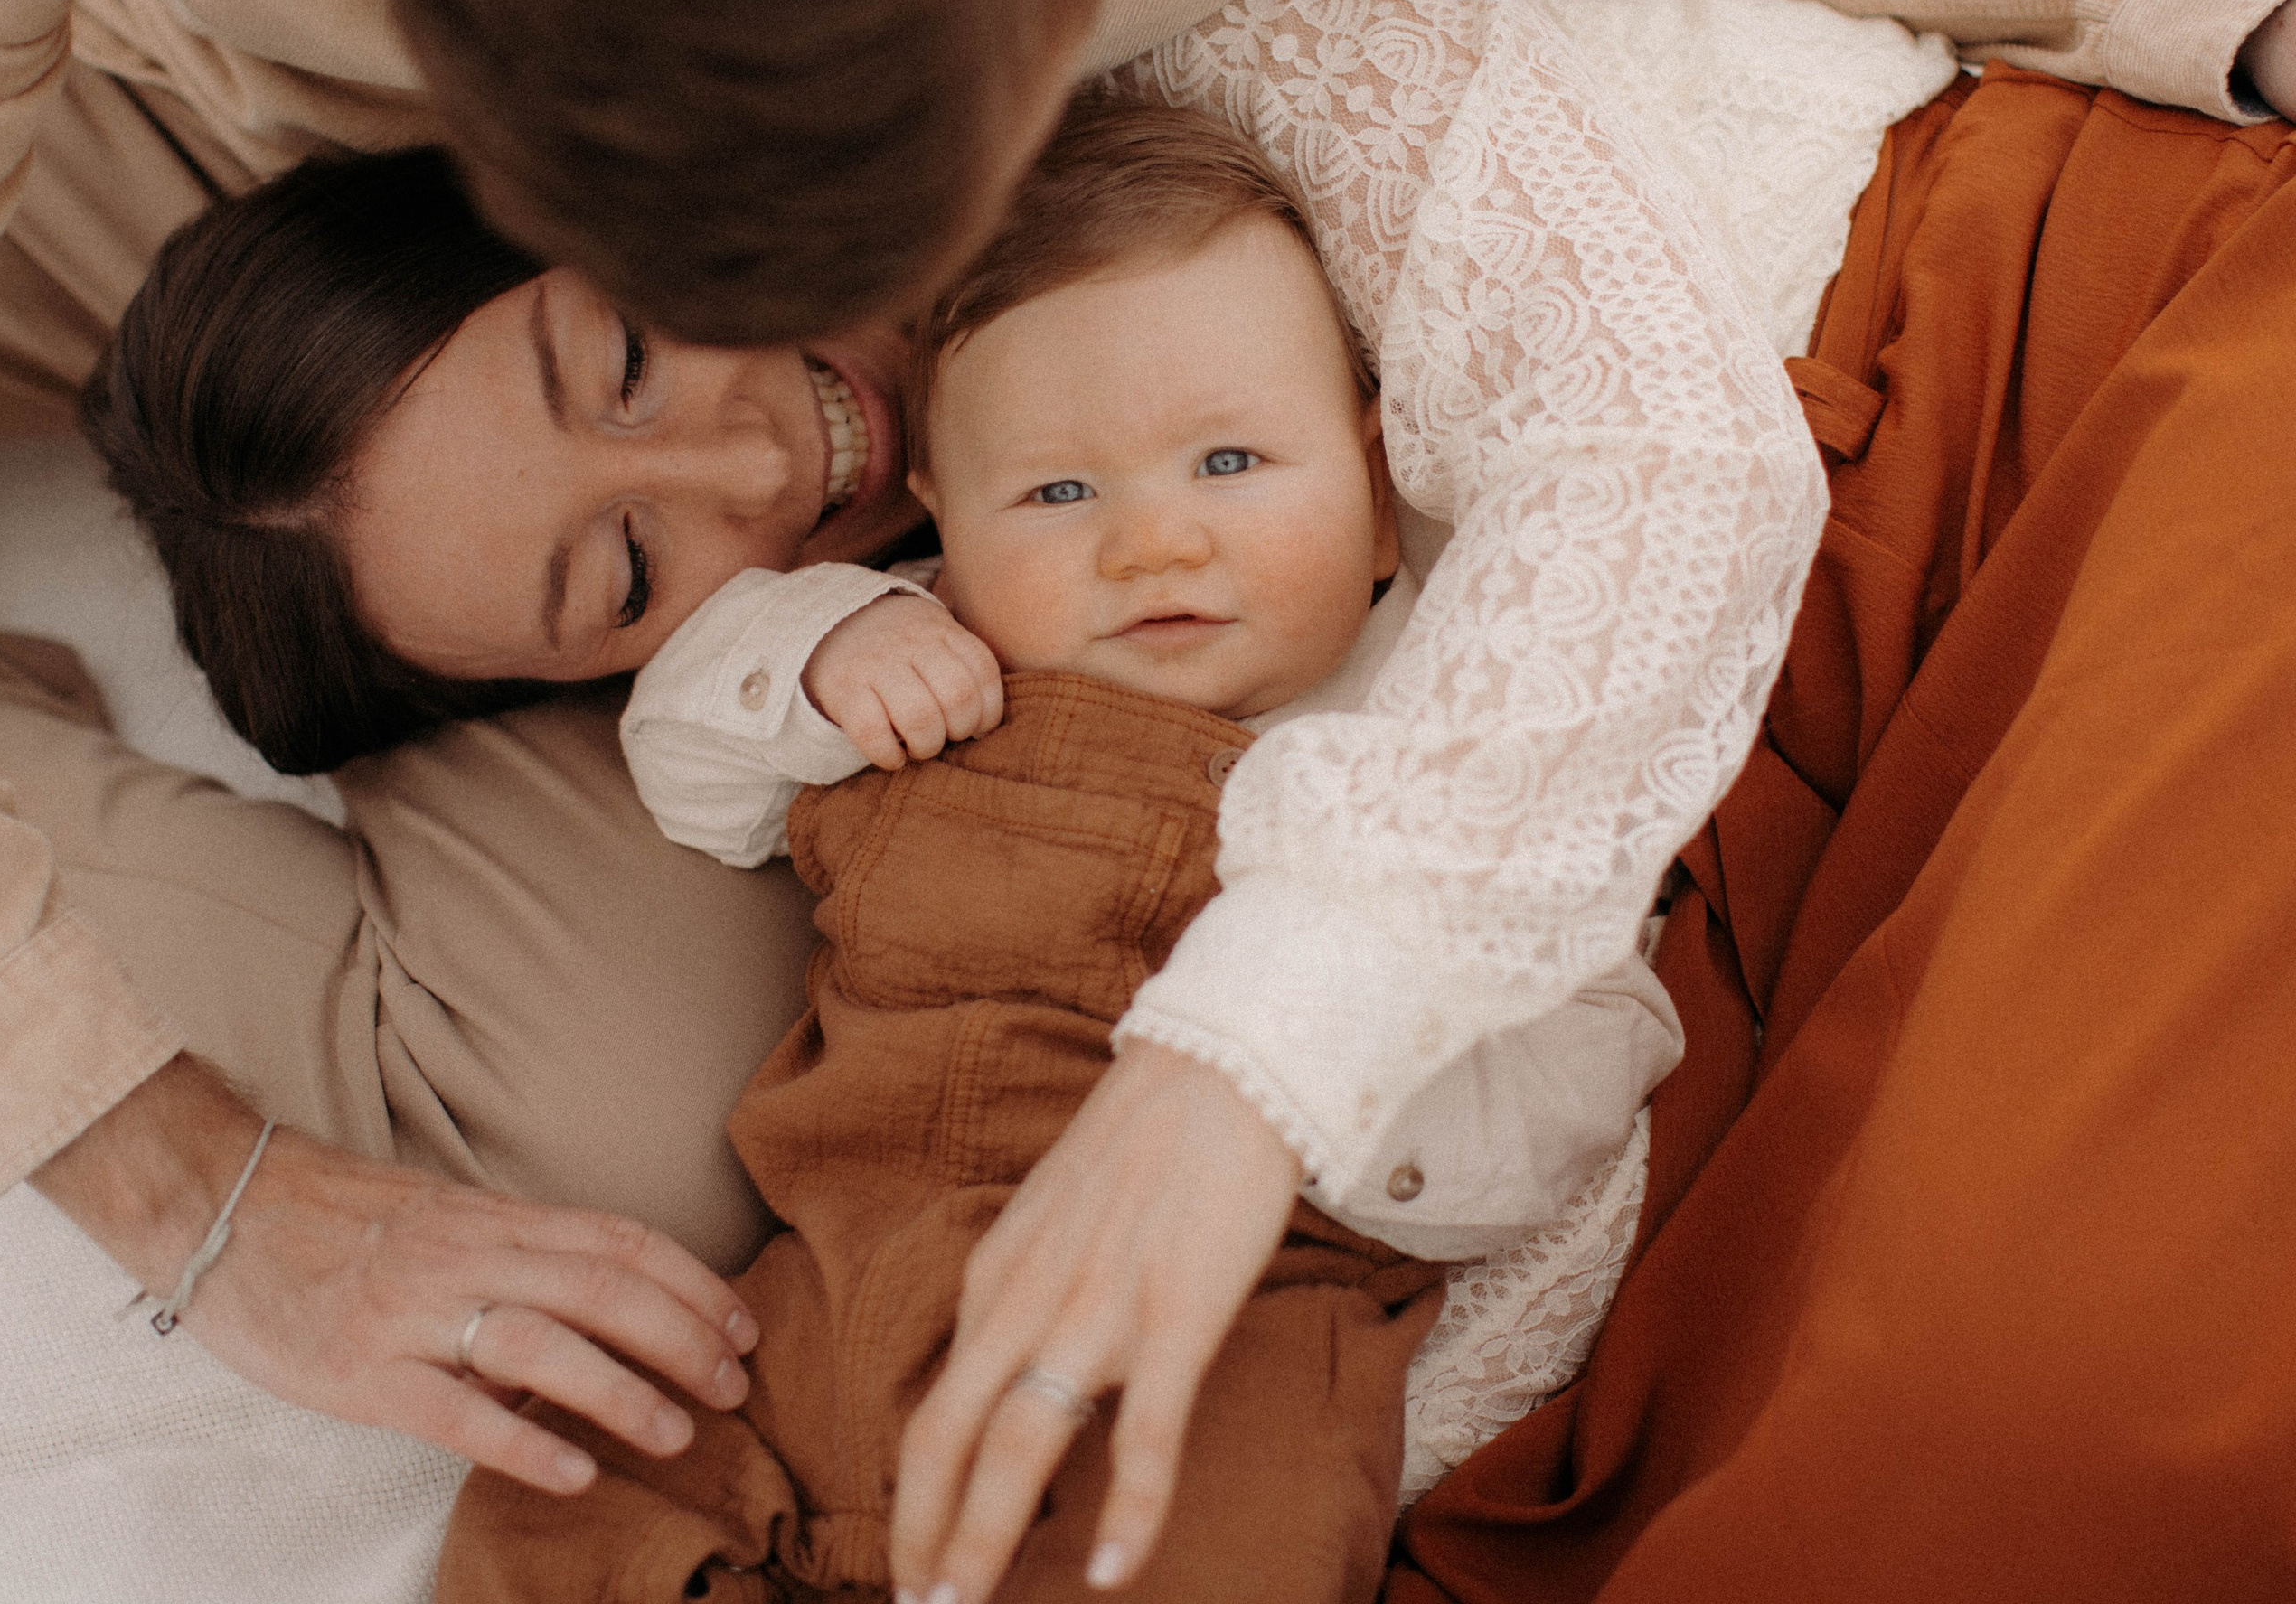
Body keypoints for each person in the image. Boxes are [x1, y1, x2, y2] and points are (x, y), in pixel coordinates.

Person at [0, 0, 2296, 1562]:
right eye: (669, 297)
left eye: (855, 247)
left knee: (2041, 1397)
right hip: (218, 144)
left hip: (1955, 440)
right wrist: (191, 1191)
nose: (801, 453)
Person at [431, 100, 1674, 1598]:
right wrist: (822, 649)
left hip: (1214, 1315)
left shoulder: (1422, 735)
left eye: (1230, 461)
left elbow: (1597, 1015)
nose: (1150, 543)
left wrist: (1346, 1106)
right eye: (1058, 493)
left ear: (1373, 503)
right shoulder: (928, 646)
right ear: (947, 527)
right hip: (834, 1269)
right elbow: (688, 762)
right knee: (565, 1473)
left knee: (1221, 1547)